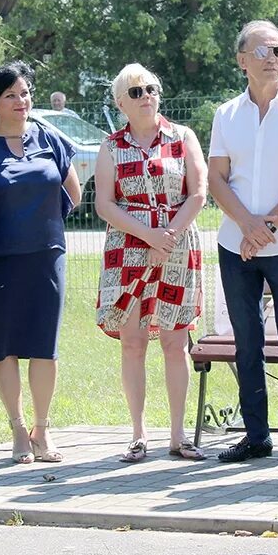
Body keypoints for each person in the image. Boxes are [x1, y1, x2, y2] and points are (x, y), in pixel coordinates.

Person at [207, 20, 278, 467]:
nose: (273, 58)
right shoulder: (226, 115)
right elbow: (217, 178)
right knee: (247, 342)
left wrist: (266, 229)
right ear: (242, 62)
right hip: (235, 246)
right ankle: (256, 437)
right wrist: (246, 226)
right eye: (263, 51)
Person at [94, 63, 208, 463]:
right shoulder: (111, 146)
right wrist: (148, 237)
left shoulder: (182, 137)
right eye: (137, 91)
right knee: (133, 343)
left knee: (176, 343)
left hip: (177, 245)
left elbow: (198, 193)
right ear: (121, 102)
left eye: (152, 89)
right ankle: (138, 434)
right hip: (128, 249)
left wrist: (169, 236)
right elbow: (104, 203)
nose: (147, 97)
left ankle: (178, 437)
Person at [0, 62, 82, 464]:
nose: (21, 102)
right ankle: (18, 429)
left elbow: (72, 190)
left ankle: (42, 427)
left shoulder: (48, 136)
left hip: (46, 256)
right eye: (11, 96)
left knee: (44, 346)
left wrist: (45, 225)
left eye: (24, 94)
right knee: (3, 348)